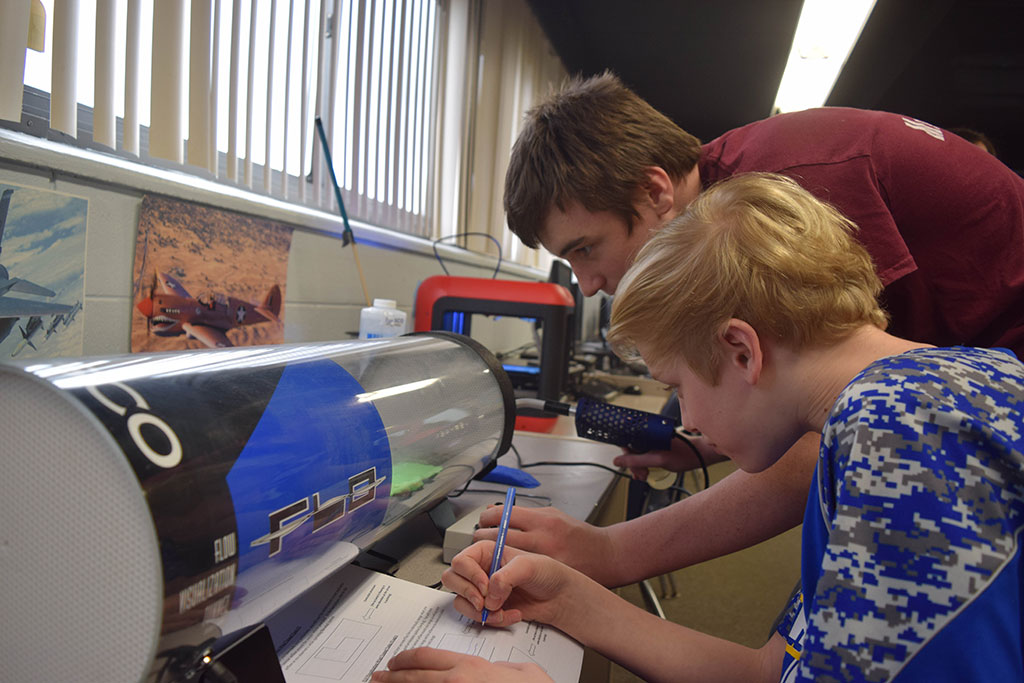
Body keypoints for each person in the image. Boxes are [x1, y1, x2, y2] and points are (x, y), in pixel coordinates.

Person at [373, 173, 1024, 682]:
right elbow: (776, 669)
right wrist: (568, 598)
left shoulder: (903, 433)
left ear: (741, 350)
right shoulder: (919, 400)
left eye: (681, 384)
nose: (686, 419)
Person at [470, 71, 1024, 590]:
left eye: (586, 249)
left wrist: (611, 552)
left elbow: (840, 428)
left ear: (655, 192)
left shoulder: (784, 198)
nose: (588, 285)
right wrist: (709, 444)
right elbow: (813, 398)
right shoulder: (739, 188)